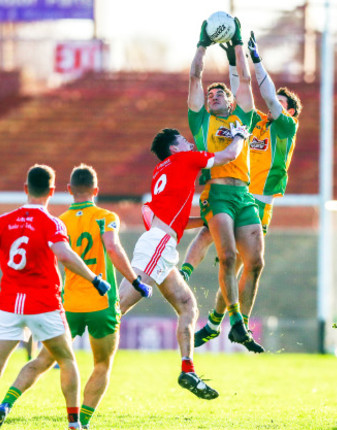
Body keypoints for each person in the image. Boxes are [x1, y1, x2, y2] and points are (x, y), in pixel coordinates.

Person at [0, 164, 151, 430]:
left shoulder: (59, 221)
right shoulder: (106, 216)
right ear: (96, 190)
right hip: (101, 304)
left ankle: (6, 404)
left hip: (68, 304)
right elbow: (113, 248)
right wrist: (135, 281)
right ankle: (79, 422)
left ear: (69, 190)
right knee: (102, 366)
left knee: (42, 361)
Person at [0, 164, 112, 430]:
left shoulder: (3, 221)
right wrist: (94, 278)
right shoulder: (52, 223)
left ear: (26, 189)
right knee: (66, 360)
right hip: (43, 304)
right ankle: (74, 423)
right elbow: (63, 255)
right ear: (51, 191)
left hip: (9, 305)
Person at [181, 32, 303, 352]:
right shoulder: (250, 122)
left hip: (258, 203)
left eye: (279, 104)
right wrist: (236, 59)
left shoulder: (285, 127)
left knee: (248, 265)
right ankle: (218, 314)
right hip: (230, 192)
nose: (271, 106)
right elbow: (242, 94)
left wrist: (253, 59)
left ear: (288, 112)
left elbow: (254, 92)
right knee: (228, 257)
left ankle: (217, 323)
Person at [119, 124, 249, 400]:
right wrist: (240, 135)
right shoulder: (184, 158)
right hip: (159, 245)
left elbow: (172, 220)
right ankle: (65, 340)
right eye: (184, 140)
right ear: (174, 148)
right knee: (118, 307)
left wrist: (206, 219)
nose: (190, 143)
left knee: (189, 307)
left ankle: (187, 369)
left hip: (162, 244)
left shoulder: (162, 170)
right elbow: (228, 156)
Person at [187, 18, 265, 351]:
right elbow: (194, 76)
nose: (213, 94)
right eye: (210, 93)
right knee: (229, 256)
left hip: (243, 194)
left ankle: (237, 324)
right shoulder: (201, 119)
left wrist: (237, 44)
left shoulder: (242, 117)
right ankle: (234, 320)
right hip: (217, 191)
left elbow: (245, 79)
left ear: (231, 101)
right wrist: (202, 44)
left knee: (257, 263)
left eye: (220, 92)